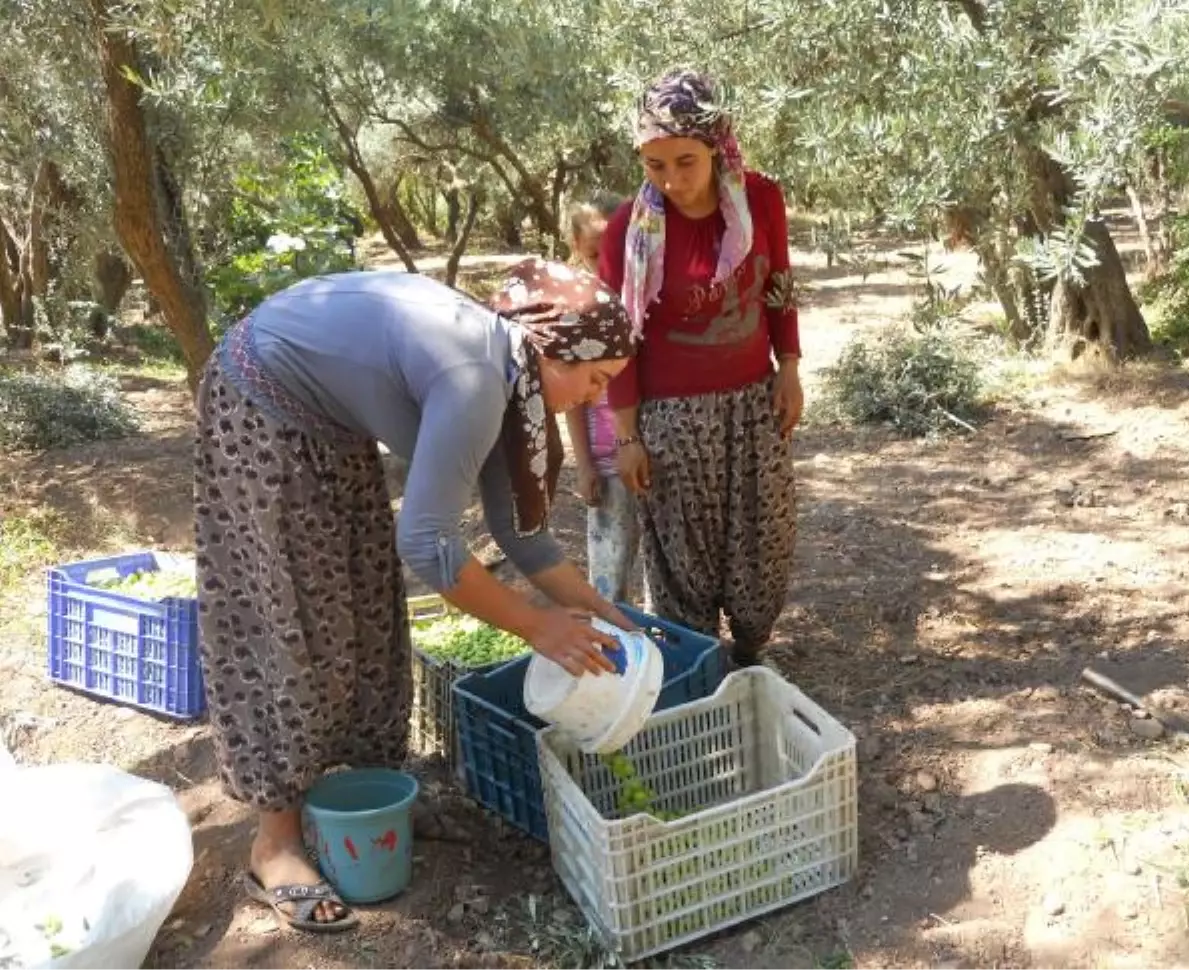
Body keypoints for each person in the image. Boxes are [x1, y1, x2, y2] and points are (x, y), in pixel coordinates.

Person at [193, 258, 637, 932]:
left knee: (366, 611)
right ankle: (275, 843)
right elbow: (427, 543)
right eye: (595, 378)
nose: (595, 397)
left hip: (328, 426)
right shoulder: (477, 378)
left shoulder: (516, 383)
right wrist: (536, 626)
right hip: (261, 405)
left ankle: (368, 796)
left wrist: (610, 614)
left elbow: (521, 534)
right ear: (555, 348)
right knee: (289, 619)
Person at [598, 68, 804, 668]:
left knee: (764, 536)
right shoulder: (627, 232)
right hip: (670, 417)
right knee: (683, 552)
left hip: (753, 403)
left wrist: (788, 366)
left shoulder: (761, 199)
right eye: (654, 165)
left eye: (685, 162)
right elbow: (619, 341)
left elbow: (779, 288)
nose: (671, 181)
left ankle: (749, 653)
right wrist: (627, 437)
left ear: (716, 145)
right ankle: (694, 664)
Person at [562, 193, 643, 603]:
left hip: (652, 455)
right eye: (597, 252)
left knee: (663, 576)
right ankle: (619, 656)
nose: (607, 262)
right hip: (606, 460)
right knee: (610, 576)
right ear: (577, 247)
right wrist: (584, 465)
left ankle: (666, 657)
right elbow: (573, 397)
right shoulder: (576, 311)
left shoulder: (644, 297)